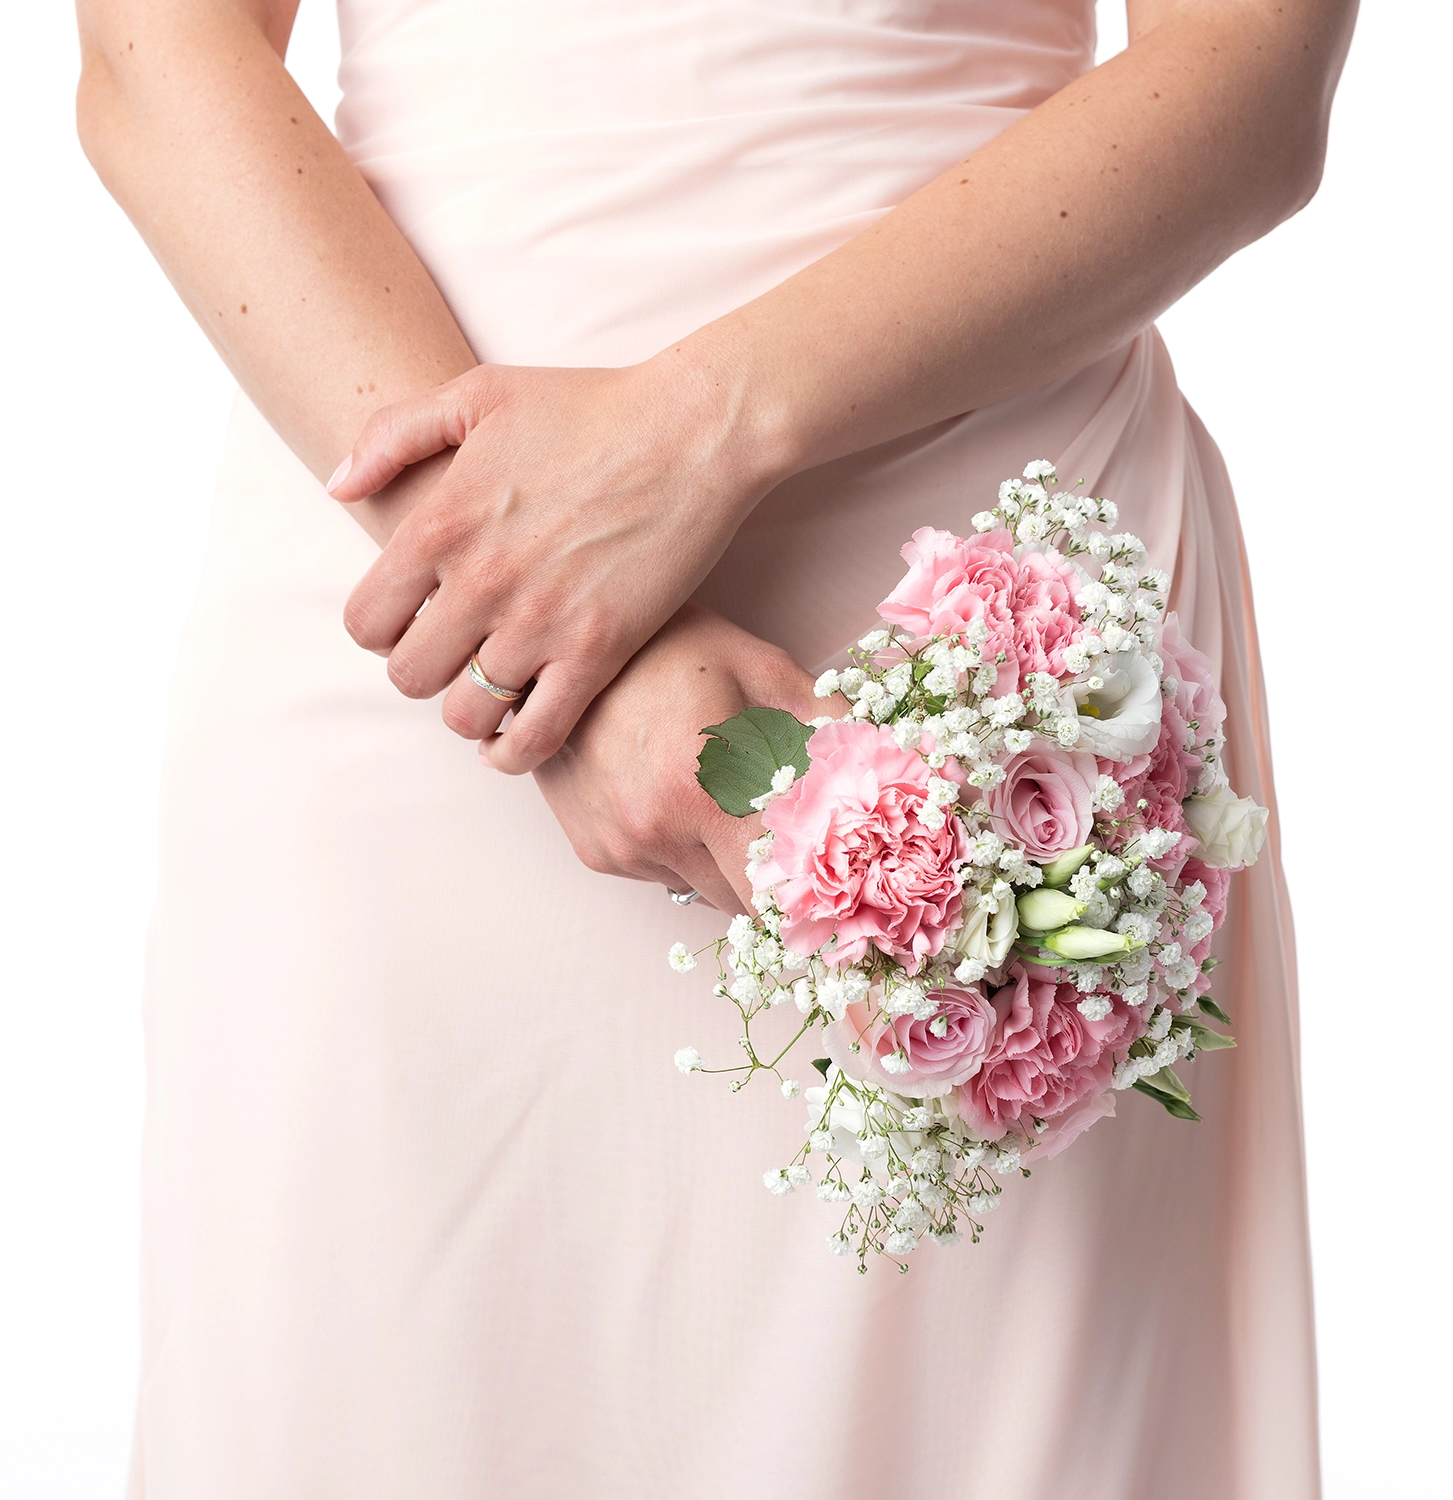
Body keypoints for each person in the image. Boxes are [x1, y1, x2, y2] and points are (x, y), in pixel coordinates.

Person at [76, 1, 1354, 1494]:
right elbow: (152, 58)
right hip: (400, 569)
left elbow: (1250, 83)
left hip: (982, 649)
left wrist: (696, 434)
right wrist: (538, 618)